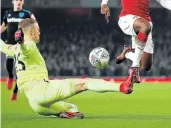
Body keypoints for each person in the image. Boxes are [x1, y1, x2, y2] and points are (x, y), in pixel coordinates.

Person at [0, 18, 135, 119]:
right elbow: (26, 49)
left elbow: (3, 47)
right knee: (85, 83)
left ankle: (65, 113)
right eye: (37, 29)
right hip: (43, 90)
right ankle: (121, 87)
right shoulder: (28, 45)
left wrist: (16, 42)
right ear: (30, 31)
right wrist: (21, 42)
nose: (39, 32)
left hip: (36, 105)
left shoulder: (14, 49)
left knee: (71, 108)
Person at [0, 0, 36, 101]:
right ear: (13, 1)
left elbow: (34, 22)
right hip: (9, 43)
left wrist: (33, 33)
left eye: (20, 0)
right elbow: (4, 26)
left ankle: (15, 92)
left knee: (20, 69)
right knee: (9, 65)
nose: (18, 2)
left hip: (21, 44)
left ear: (23, 2)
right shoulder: (8, 13)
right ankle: (10, 77)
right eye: (17, 0)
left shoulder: (26, 13)